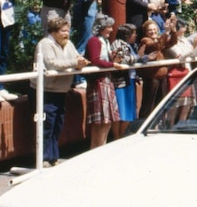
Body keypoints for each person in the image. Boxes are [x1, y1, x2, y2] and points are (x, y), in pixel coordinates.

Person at [29, 17, 89, 167]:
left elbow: (76, 58)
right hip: (46, 91)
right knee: (47, 124)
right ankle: (43, 157)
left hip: (61, 91)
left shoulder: (68, 44)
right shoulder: (45, 44)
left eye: (67, 30)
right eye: (63, 31)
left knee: (58, 124)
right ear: (54, 32)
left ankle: (53, 156)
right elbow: (52, 64)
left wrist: (81, 62)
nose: (66, 34)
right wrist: (75, 63)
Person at [84, 14, 127, 148]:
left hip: (107, 81)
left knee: (107, 120)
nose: (111, 29)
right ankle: (96, 148)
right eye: (108, 27)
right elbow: (95, 60)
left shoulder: (105, 42)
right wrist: (113, 65)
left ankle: (100, 146)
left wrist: (114, 59)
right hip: (99, 82)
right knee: (102, 120)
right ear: (101, 28)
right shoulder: (94, 41)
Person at [137, 17, 178, 118]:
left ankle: (159, 123)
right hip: (152, 77)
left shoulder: (160, 39)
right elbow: (156, 46)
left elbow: (172, 42)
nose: (152, 31)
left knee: (160, 103)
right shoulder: (145, 40)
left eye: (154, 29)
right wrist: (166, 33)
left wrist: (173, 30)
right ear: (145, 32)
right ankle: (143, 122)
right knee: (149, 103)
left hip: (162, 76)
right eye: (150, 30)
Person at [108, 23, 140, 141]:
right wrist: (138, 57)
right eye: (133, 33)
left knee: (129, 111)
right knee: (121, 111)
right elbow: (122, 60)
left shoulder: (130, 45)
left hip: (129, 80)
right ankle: (117, 137)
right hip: (121, 82)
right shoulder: (118, 44)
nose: (135, 35)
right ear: (127, 35)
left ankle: (122, 135)